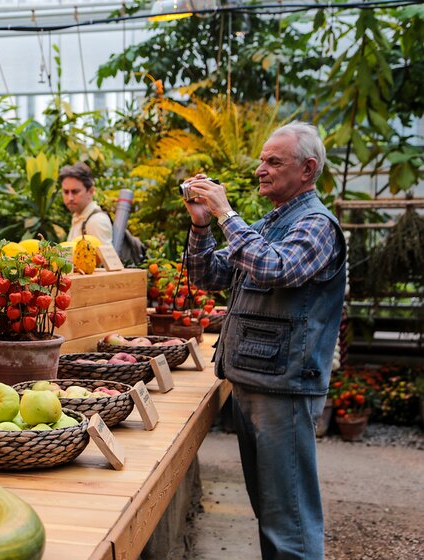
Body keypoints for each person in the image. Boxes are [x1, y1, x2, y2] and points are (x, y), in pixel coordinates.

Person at [182, 121, 346, 560]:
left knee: (288, 522)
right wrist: (201, 227)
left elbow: (277, 268)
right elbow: (209, 275)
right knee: (271, 512)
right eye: (261, 159)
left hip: (285, 389)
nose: (260, 169)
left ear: (307, 169)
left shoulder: (316, 226)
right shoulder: (272, 222)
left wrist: (225, 214)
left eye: (273, 161)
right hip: (257, 381)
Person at [59, 162, 113, 245]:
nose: (70, 198)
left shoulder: (96, 221)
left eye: (75, 191)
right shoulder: (80, 216)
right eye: (66, 192)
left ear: (90, 191)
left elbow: (105, 257)